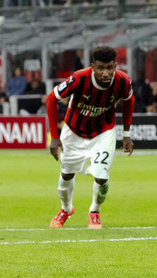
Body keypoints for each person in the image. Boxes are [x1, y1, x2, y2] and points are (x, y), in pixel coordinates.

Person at [46, 46, 134, 229]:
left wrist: (126, 134)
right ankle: (66, 209)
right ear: (93, 66)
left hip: (103, 131)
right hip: (73, 131)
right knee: (66, 174)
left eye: (110, 68)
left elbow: (129, 101)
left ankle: (94, 211)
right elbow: (51, 98)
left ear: (115, 66)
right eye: (101, 67)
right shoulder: (79, 78)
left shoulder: (123, 81)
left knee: (101, 177)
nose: (106, 73)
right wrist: (55, 136)